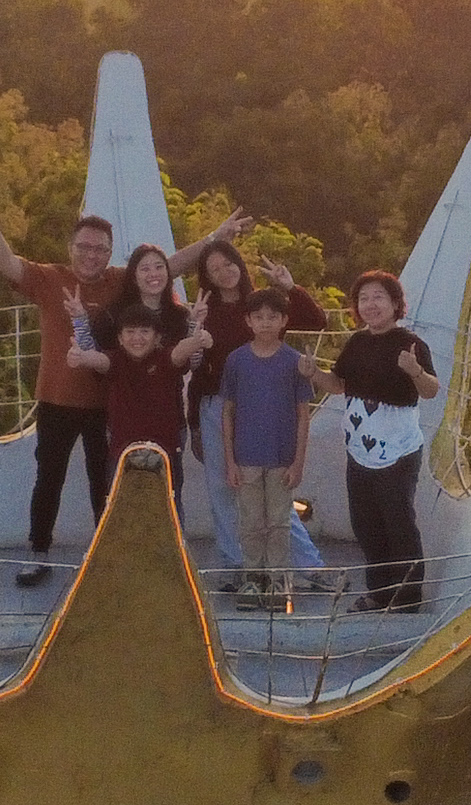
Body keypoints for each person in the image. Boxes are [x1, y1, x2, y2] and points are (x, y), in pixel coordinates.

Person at [0, 177, 245, 586]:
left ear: (110, 253)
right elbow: (8, 263)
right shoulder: (50, 278)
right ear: (71, 248)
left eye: (100, 248)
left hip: (107, 403)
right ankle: (38, 552)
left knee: (106, 483)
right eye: (85, 246)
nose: (92, 255)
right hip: (57, 399)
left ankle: (106, 553)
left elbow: (165, 269)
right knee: (49, 478)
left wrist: (213, 239)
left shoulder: (118, 281)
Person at [182, 238, 322, 568]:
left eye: (229, 264)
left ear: (239, 264)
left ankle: (309, 566)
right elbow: (197, 369)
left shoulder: (261, 304)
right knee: (223, 490)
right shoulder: (204, 312)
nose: (224, 272)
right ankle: (237, 565)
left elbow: (315, 322)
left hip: (268, 409)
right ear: (206, 276)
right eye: (214, 269)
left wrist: (291, 288)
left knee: (277, 496)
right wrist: (196, 423)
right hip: (219, 408)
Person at [330, 268, 441, 611]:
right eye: (363, 298)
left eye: (378, 297)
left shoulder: (410, 344)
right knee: (366, 524)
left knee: (399, 524)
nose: (370, 304)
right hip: (359, 449)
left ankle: (407, 600)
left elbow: (431, 391)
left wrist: (415, 371)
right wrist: (311, 374)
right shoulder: (358, 342)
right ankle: (379, 593)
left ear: (395, 304)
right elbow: (339, 384)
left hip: (398, 452)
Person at [212, 287, 318, 605]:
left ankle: (277, 581)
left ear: (285, 320)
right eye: (259, 317)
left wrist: (298, 462)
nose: (266, 323)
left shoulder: (294, 362)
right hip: (246, 459)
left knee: (279, 521)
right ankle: (253, 579)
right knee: (251, 522)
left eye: (273, 317)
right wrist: (229, 461)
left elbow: (303, 414)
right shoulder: (236, 360)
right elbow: (228, 412)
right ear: (248, 321)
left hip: (281, 460)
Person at [69, 308, 190, 472]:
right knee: (119, 498)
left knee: (171, 498)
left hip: (165, 452)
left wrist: (196, 340)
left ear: (157, 338)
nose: (137, 338)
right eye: (130, 332)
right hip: (122, 453)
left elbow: (180, 352)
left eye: (145, 332)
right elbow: (99, 361)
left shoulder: (165, 359)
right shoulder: (115, 360)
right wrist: (82, 358)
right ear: (120, 338)